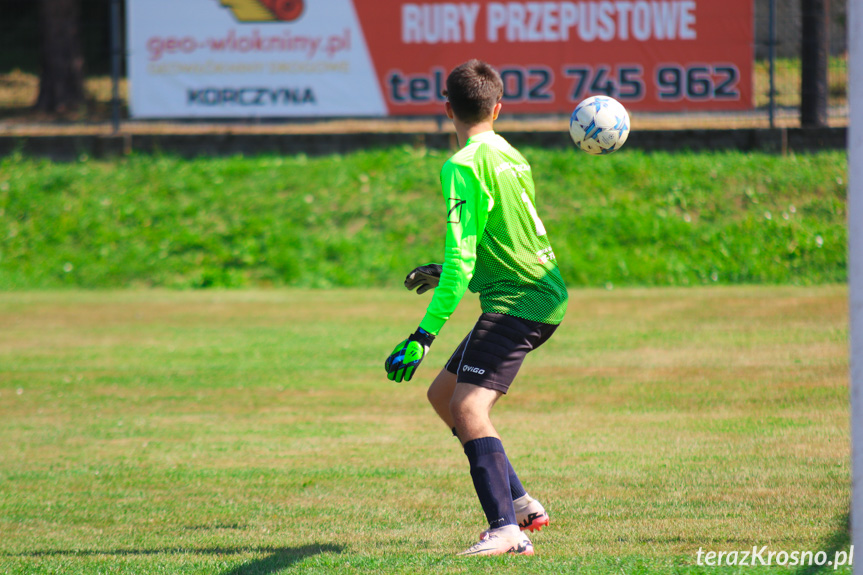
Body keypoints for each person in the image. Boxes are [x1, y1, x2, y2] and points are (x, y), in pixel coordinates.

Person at [384, 59, 568, 557]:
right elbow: (501, 241)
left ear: (447, 109)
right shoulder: (510, 154)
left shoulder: (462, 165)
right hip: (535, 290)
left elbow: (465, 256)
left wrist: (422, 336)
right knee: (444, 396)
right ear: (499, 107)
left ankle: (505, 530)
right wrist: (444, 271)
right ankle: (522, 504)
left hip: (520, 299)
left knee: (468, 407)